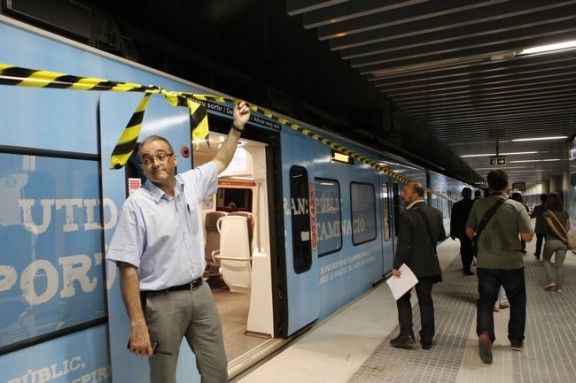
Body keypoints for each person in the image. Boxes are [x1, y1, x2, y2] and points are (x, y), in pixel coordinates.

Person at [106, 101, 251, 383]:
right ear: (143, 167)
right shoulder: (137, 205)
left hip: (201, 294)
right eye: (146, 159)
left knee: (216, 369)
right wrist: (138, 324)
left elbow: (220, 161)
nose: (154, 163)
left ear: (174, 159)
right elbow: (127, 269)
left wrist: (236, 127)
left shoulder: (191, 184)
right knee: (163, 377)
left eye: (161, 156)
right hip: (162, 303)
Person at [465, 170, 533, 364]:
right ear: (507, 185)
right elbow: (527, 237)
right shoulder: (517, 206)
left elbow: (468, 230)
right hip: (512, 264)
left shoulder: (478, 205)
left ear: (489, 185)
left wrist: (480, 238)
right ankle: (517, 340)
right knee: (518, 302)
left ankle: (486, 335)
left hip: (486, 264)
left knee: (486, 302)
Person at [390, 181, 446, 351]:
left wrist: (397, 266)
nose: (402, 194)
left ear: (415, 193)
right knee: (426, 301)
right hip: (429, 265)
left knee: (402, 298)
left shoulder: (407, 215)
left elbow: (404, 244)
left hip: (409, 266)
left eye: (405, 191)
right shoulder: (436, 212)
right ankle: (427, 339)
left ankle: (406, 335)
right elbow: (441, 235)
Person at [542, 193, 570, 294]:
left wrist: (560, 237)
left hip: (551, 241)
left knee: (546, 260)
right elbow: (567, 227)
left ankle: (552, 281)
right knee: (559, 265)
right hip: (564, 243)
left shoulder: (547, 213)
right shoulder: (565, 212)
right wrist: (564, 238)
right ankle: (560, 288)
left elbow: (552, 228)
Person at [450, 187, 475, 275]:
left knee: (464, 248)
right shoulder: (474, 204)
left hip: (461, 232)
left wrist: (452, 233)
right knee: (470, 249)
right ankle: (467, 268)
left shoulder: (456, 205)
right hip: (472, 231)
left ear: (462, 194)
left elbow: (453, 220)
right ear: (470, 194)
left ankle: (465, 266)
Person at [530, 194, 548, 261]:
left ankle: (537, 255)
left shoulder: (537, 207)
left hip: (539, 228)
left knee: (539, 242)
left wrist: (526, 214)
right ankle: (546, 257)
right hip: (548, 229)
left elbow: (532, 216)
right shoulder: (550, 208)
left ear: (541, 199)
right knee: (547, 243)